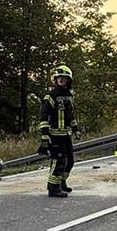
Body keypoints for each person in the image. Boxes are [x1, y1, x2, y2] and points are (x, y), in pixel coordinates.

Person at [38, 65, 81, 197]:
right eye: (59, 78)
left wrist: (75, 130)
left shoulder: (69, 96)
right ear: (55, 80)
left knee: (70, 161)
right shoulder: (50, 96)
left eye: (64, 78)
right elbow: (43, 117)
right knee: (59, 161)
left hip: (66, 135)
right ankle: (53, 188)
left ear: (69, 80)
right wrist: (45, 136)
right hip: (55, 136)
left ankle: (61, 183)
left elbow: (70, 115)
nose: (61, 80)